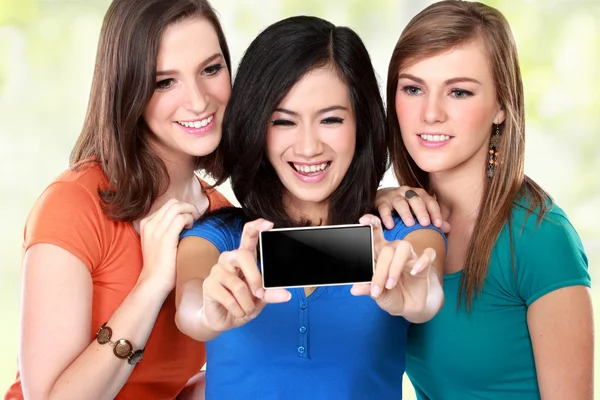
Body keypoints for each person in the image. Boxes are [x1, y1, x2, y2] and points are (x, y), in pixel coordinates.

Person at [174, 16, 447, 399]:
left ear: (362, 124)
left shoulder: (402, 231)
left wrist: (420, 295)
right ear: (256, 127)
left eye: (331, 119)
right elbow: (189, 309)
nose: (307, 147)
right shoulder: (217, 239)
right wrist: (209, 310)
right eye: (284, 122)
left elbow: (428, 290)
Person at [5, 0, 233, 399]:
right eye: (165, 82)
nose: (198, 101)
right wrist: (151, 286)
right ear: (128, 89)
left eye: (211, 70)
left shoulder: (223, 220)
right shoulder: (73, 206)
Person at [376, 1, 593, 399]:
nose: (431, 113)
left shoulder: (541, 238)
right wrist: (377, 196)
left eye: (458, 91)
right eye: (413, 88)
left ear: (500, 107)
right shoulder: (395, 224)